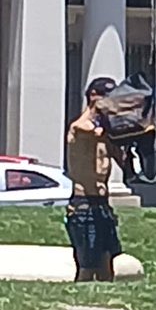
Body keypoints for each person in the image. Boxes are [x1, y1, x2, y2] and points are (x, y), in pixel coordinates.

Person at [65, 77, 126, 282]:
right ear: (94, 97)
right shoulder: (79, 128)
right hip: (83, 204)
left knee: (107, 264)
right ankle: (80, 303)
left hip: (102, 203)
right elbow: (88, 129)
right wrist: (99, 115)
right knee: (86, 266)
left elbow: (122, 160)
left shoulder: (106, 134)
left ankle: (104, 303)